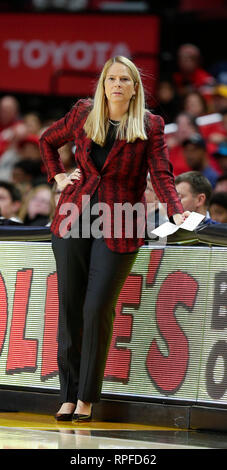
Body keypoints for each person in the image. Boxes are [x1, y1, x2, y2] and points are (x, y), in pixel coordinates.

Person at [39, 55, 188, 423]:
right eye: (111, 79)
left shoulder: (150, 124)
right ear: (102, 85)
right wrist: (57, 177)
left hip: (121, 222)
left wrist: (175, 207)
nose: (117, 84)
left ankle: (87, 397)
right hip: (74, 216)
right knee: (70, 310)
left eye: (125, 79)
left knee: (96, 309)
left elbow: (162, 171)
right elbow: (46, 140)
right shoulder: (83, 113)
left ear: (135, 87)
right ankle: (68, 396)